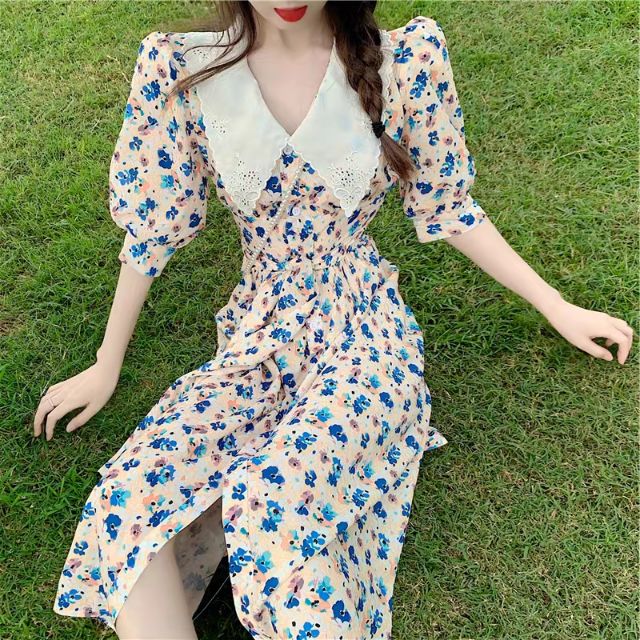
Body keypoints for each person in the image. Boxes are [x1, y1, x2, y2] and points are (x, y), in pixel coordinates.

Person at [39, 1, 633, 638]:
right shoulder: (182, 70)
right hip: (259, 335)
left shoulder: (405, 62)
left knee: (275, 501)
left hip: (366, 333)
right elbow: (154, 228)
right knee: (130, 495)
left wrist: (556, 305)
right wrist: (106, 363)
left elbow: (448, 207)